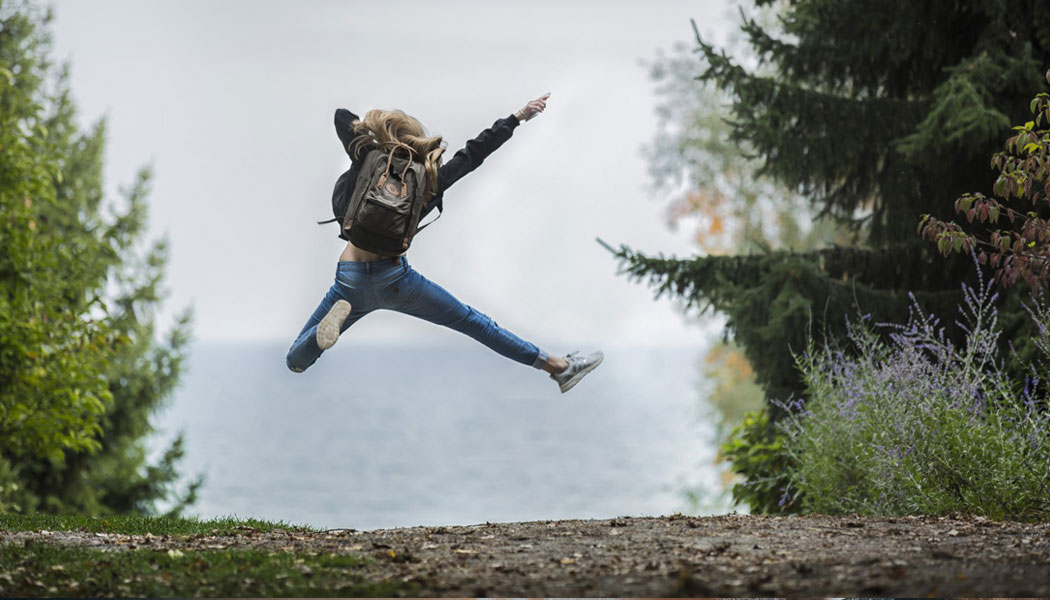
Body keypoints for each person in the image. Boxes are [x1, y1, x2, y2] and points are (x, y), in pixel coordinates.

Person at [285, 93, 603, 393]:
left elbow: (343, 117)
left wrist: (375, 133)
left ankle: (321, 336)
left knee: (295, 361)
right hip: (396, 280)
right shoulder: (429, 179)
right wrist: (517, 117)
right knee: (474, 323)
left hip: (350, 278)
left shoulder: (367, 158)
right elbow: (473, 154)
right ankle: (558, 367)